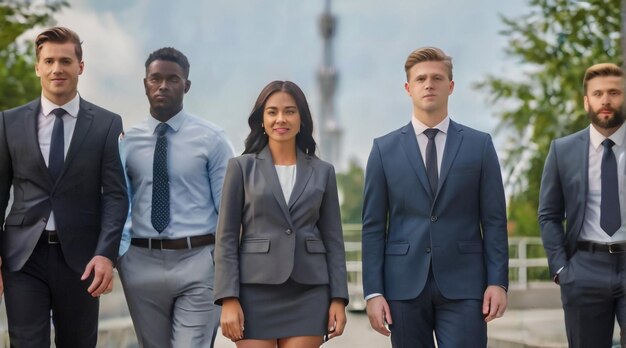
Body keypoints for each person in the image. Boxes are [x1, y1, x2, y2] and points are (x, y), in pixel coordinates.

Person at [361, 46, 509, 347]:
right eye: (421, 79)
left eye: (437, 78)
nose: (429, 84)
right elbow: (373, 227)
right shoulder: (383, 150)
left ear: (451, 86)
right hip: (402, 286)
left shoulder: (479, 146)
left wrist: (498, 281)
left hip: (466, 285)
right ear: (408, 88)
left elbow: (494, 220)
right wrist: (373, 292)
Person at [0, 26, 128, 347]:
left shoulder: (107, 124)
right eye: (49, 61)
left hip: (83, 262)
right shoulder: (8, 122)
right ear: (38, 66)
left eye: (66, 61)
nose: (57, 68)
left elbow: (115, 195)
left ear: (80, 67)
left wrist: (105, 254)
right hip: (22, 258)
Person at [214, 80, 348, 348]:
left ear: (302, 119)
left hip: (309, 291)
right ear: (261, 120)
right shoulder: (240, 168)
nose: (281, 119)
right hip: (253, 291)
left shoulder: (324, 171)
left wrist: (338, 298)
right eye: (272, 112)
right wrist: (228, 298)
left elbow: (333, 239)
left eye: (290, 111)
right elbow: (226, 238)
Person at [117, 47, 233, 347]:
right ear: (145, 84)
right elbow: (117, 204)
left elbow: (229, 212)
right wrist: (119, 256)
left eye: (173, 79)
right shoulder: (126, 142)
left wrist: (226, 269)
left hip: (198, 261)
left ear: (187, 85)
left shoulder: (213, 140)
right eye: (155, 79)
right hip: (140, 263)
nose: (163, 86)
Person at [539, 63, 626, 347]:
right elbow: (549, 215)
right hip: (584, 268)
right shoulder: (562, 150)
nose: (606, 100)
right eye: (598, 93)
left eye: (614, 92)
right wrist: (562, 268)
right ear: (586, 101)